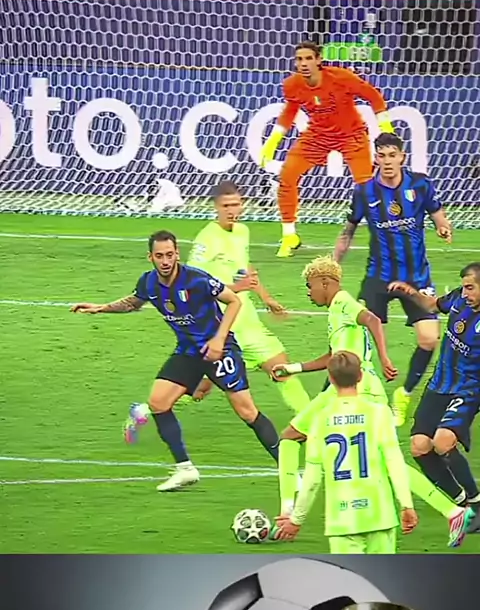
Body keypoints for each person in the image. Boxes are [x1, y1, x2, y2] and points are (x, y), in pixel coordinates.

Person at [272, 256, 474, 549]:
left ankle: (288, 512)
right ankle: (453, 512)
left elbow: (372, 319)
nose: (308, 292)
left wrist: (385, 358)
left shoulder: (343, 302)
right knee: (380, 457)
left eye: (310, 286)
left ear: (325, 282)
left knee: (291, 437)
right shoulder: (337, 311)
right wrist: (293, 369)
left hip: (355, 386)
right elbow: (333, 357)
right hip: (354, 383)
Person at [70, 230, 280, 492]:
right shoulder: (149, 282)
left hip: (220, 349)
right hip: (188, 351)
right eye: (160, 256)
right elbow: (133, 302)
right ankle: (185, 469)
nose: (166, 261)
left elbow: (234, 301)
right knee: (158, 403)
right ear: (151, 257)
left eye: (170, 255)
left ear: (177, 254)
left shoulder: (196, 279)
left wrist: (219, 339)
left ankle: (287, 467)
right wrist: (101, 307)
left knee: (247, 412)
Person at [334, 132, 453, 427]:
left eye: (392, 155)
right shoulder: (364, 191)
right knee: (355, 341)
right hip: (379, 277)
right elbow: (348, 231)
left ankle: (404, 394)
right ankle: (340, 398)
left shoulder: (420, 185)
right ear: (375, 158)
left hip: (416, 277)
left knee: (429, 339)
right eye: (382, 155)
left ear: (402, 157)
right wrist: (334, 264)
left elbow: (438, 215)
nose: (387, 161)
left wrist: (443, 227)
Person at [274, 351, 418, 554]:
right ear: (360, 376)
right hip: (380, 515)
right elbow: (394, 462)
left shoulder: (320, 419)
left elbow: (312, 479)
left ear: (331, 379)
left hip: (342, 520)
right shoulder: (379, 413)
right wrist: (406, 504)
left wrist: (296, 520)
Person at [259, 41, 394, 258]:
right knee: (287, 176)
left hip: (351, 134)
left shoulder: (342, 77)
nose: (304, 63)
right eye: (299, 59)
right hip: (317, 136)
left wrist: (386, 127)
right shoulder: (292, 84)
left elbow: (373, 96)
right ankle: (289, 236)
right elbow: (290, 110)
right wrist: (273, 140)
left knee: (366, 187)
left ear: (319, 60)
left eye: (308, 58)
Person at [186, 180, 310, 414]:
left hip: (247, 322)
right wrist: (235, 287)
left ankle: (311, 423)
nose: (231, 210)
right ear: (216, 207)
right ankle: (146, 411)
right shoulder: (207, 239)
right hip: (221, 328)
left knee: (281, 369)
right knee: (200, 389)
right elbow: (191, 284)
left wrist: (266, 298)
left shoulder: (242, 231)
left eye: (236, 204)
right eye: (226, 206)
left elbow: (245, 268)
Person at [388, 265, 480, 529]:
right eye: (464, 287)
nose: (465, 292)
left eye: (471, 287)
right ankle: (462, 502)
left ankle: (477, 503)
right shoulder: (458, 299)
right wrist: (410, 293)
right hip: (440, 384)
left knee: (442, 440)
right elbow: (432, 305)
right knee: (419, 446)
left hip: (469, 388)